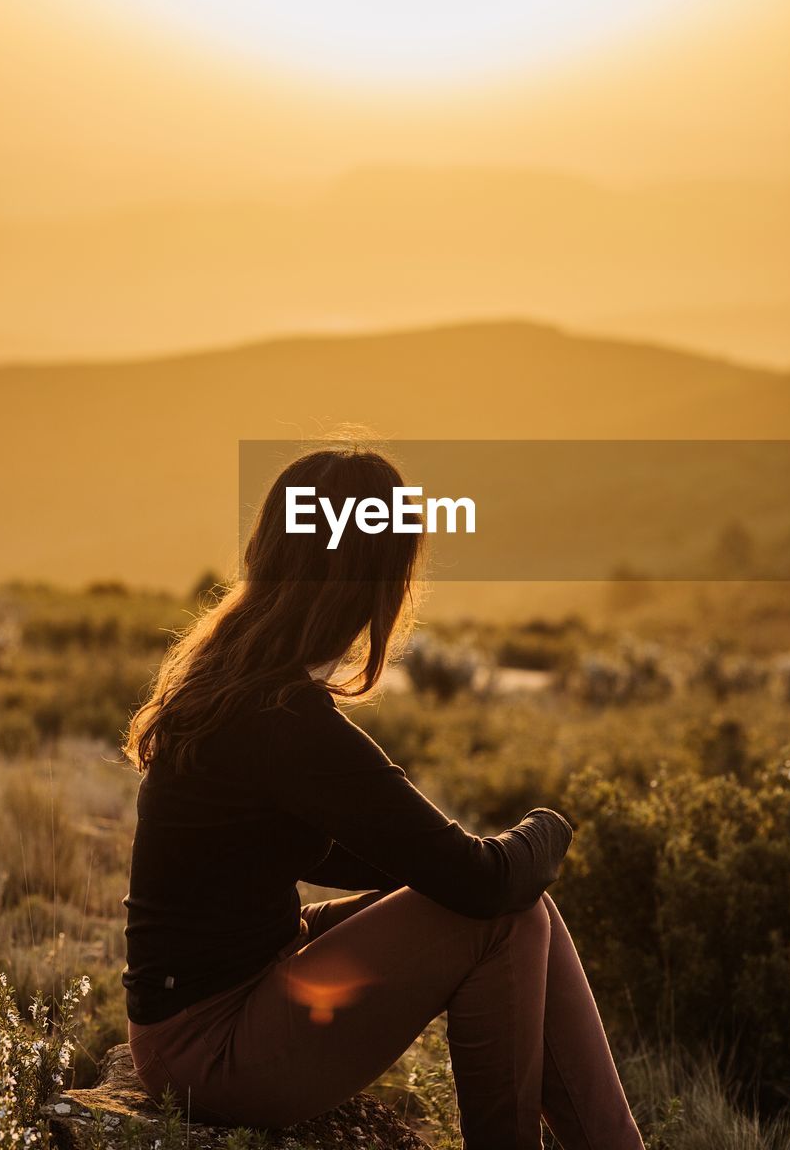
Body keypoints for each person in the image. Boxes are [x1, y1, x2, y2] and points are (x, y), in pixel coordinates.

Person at [121, 446, 645, 1149]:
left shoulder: (238, 680)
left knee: (515, 905)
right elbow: (482, 884)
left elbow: (356, 855)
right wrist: (550, 825)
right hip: (210, 1048)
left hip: (224, 1000)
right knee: (502, 915)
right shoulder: (283, 718)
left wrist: (446, 866)